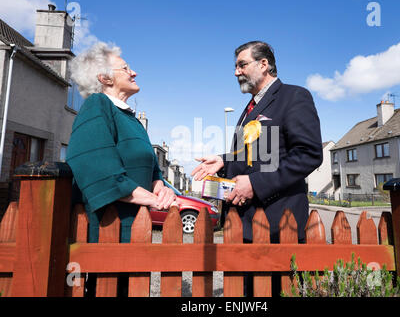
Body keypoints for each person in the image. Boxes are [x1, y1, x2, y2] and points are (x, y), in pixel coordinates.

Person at [191, 41, 323, 295]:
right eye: (235, 66)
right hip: (244, 227)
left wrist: (255, 184)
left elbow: (308, 154)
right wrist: (224, 161)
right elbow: (258, 155)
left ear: (264, 64)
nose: (236, 72)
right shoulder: (250, 107)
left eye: (242, 65)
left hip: (275, 227)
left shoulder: (294, 96)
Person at [67, 42, 176, 244]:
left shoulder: (131, 118)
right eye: (126, 68)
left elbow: (151, 168)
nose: (134, 72)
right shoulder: (97, 104)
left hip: (136, 227)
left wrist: (160, 187)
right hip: (107, 230)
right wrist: (153, 200)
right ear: (104, 78)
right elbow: (97, 167)